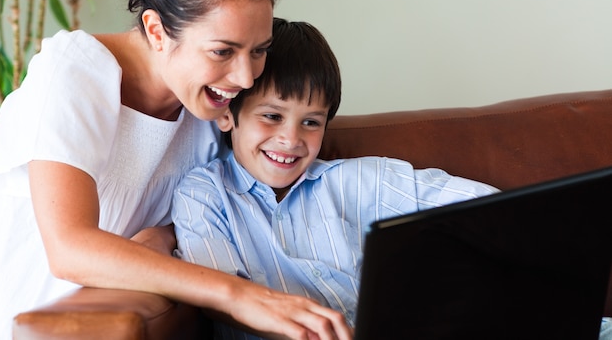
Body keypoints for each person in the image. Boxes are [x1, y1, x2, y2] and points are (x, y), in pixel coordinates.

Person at [0, 0, 352, 339]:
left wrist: (163, 235)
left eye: (259, 51)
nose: (245, 76)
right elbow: (70, 248)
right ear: (156, 30)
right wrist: (238, 294)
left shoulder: (207, 109)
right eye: (223, 51)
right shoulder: (74, 74)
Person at [171, 18, 500, 339]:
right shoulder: (204, 194)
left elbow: (488, 207)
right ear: (227, 115)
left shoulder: (358, 181)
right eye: (272, 116)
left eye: (311, 122)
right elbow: (219, 295)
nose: (291, 139)